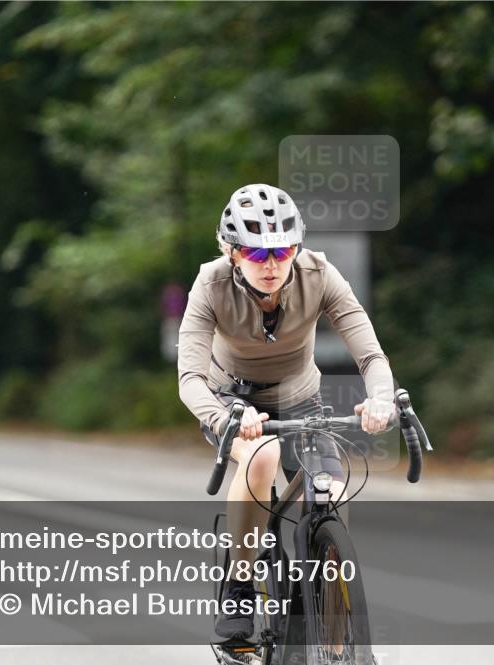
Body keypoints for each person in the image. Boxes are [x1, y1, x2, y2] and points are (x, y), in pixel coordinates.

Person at [177, 184, 396, 642]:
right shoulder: (211, 283)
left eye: (282, 250)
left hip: (301, 399)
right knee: (262, 457)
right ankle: (239, 584)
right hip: (231, 403)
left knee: (332, 493)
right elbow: (190, 380)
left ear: (296, 246)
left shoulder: (320, 274)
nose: (272, 263)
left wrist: (380, 398)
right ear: (233, 254)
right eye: (257, 254)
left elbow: (372, 358)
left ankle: (336, 630)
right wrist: (224, 420)